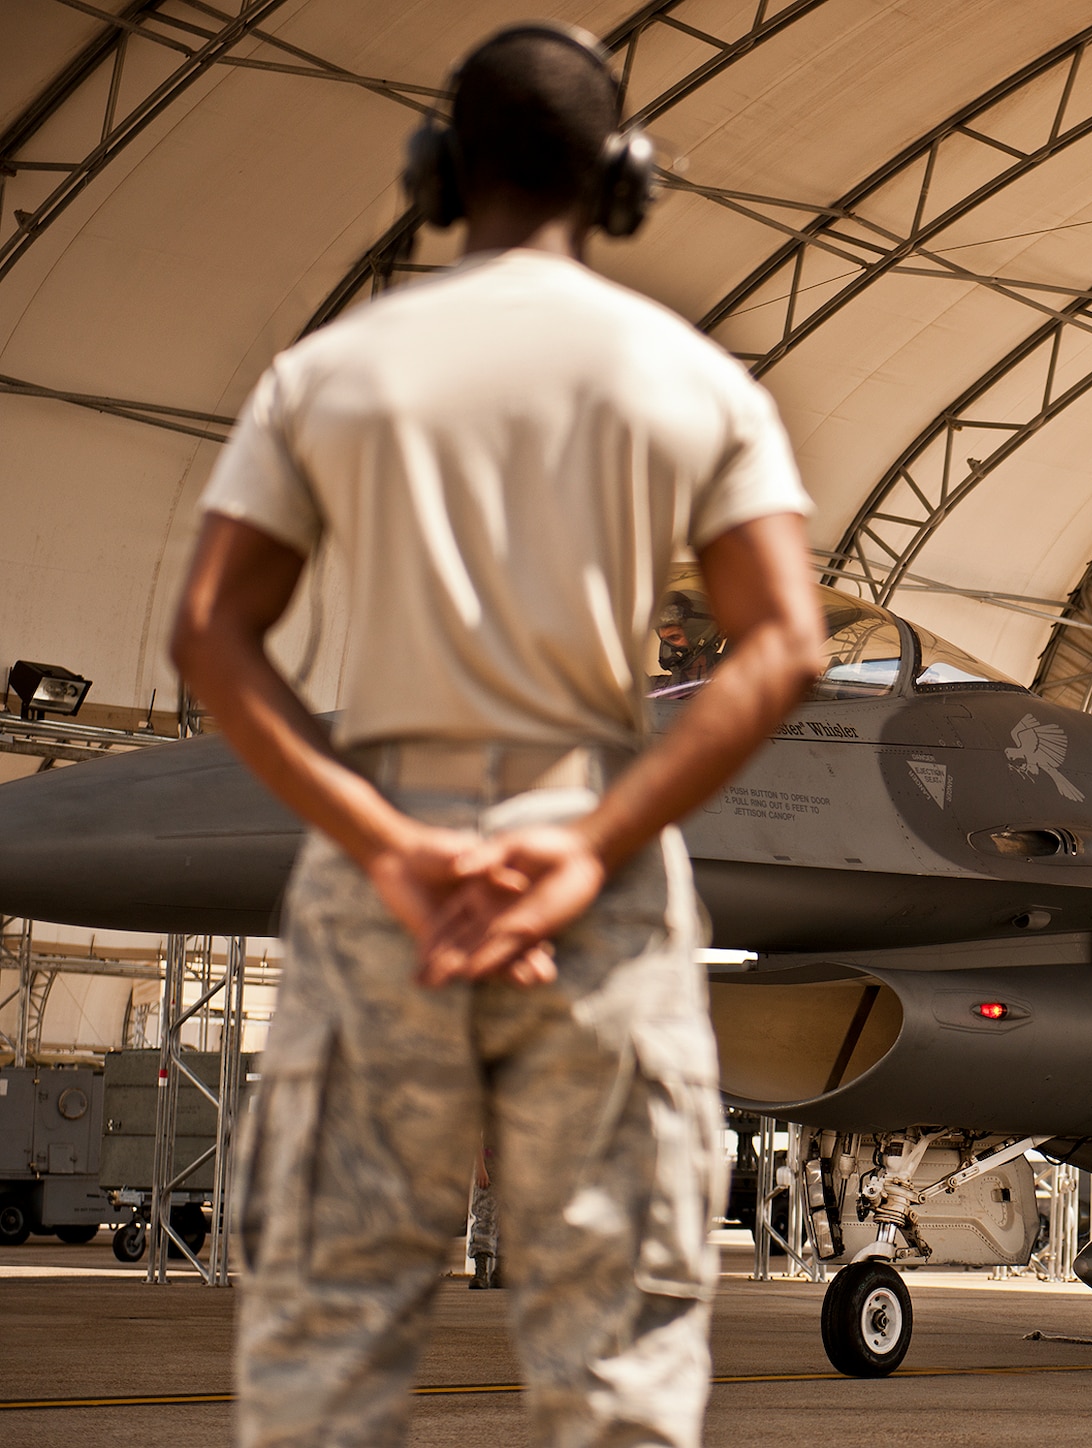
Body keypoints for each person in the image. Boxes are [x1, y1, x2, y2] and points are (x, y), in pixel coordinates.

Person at [169, 22, 822, 1447]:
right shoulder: (691, 381)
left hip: (380, 884)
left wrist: (393, 849)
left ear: (438, 172)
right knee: (617, 1369)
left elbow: (212, 632)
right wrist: (588, 852)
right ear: (623, 180)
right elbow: (784, 643)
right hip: (593, 869)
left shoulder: (328, 374)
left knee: (328, 1354)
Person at [467, 1140, 500, 1290]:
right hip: (489, 1162)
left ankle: (500, 1270)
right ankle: (481, 1270)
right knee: (484, 1215)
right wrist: (480, 1167)